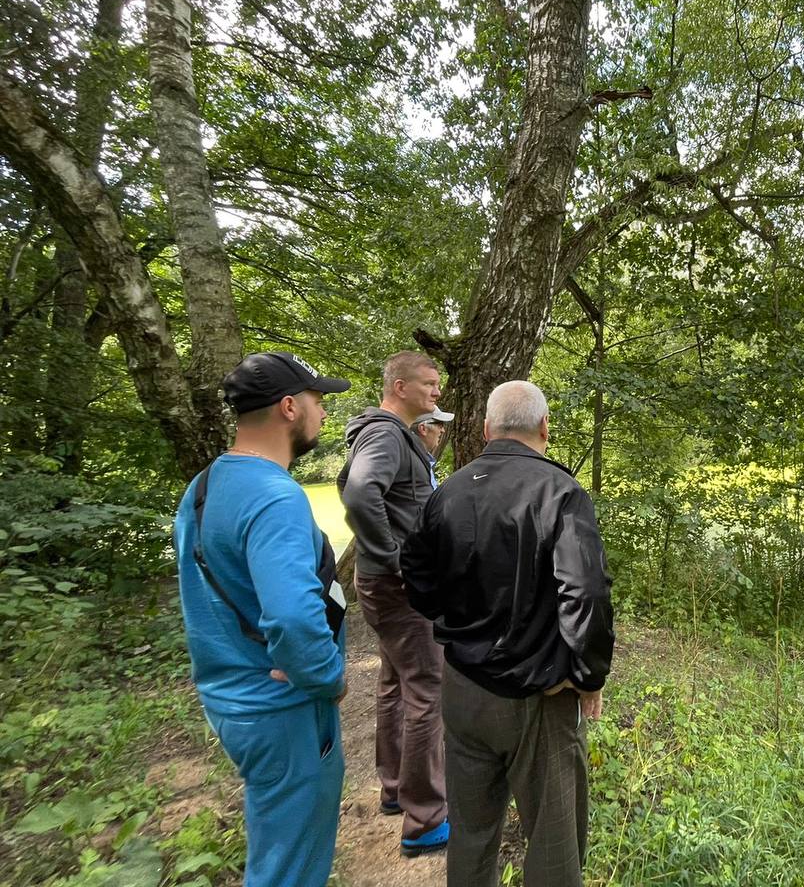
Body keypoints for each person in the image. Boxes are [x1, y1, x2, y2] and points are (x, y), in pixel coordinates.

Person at [400, 380, 615, 887]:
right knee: (554, 840)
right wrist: (588, 676)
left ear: (486, 428)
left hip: (463, 687)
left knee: (471, 833)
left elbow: (415, 572)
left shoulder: (449, 490)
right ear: (544, 426)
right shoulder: (561, 491)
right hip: (538, 694)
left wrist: (454, 622)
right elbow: (585, 592)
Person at [174, 351, 351, 887]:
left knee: (277, 845)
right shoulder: (275, 497)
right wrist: (327, 677)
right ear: (289, 407)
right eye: (319, 399)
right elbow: (293, 618)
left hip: (231, 699)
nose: (324, 411)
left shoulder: (204, 485)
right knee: (290, 867)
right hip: (283, 709)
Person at [337, 350, 450, 856]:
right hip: (399, 588)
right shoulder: (385, 433)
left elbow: (356, 485)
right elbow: (361, 492)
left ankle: (395, 788)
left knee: (395, 682)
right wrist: (397, 559)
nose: (437, 392)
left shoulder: (390, 435)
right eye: (429, 383)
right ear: (400, 387)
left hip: (385, 585)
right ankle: (426, 820)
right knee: (427, 687)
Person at [411, 405, 455, 487]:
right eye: (440, 425)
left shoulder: (422, 459)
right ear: (423, 429)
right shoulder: (411, 463)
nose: (443, 430)